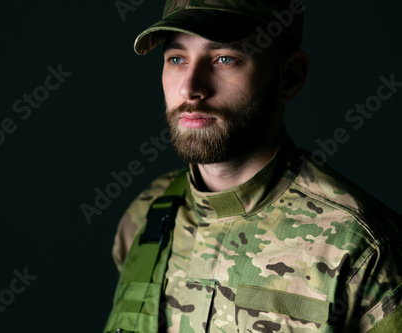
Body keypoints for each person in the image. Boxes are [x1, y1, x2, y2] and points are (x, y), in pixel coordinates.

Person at [104, 1, 402, 332]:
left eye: (224, 59)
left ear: (289, 77)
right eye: (176, 59)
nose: (190, 87)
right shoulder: (145, 218)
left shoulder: (362, 247)